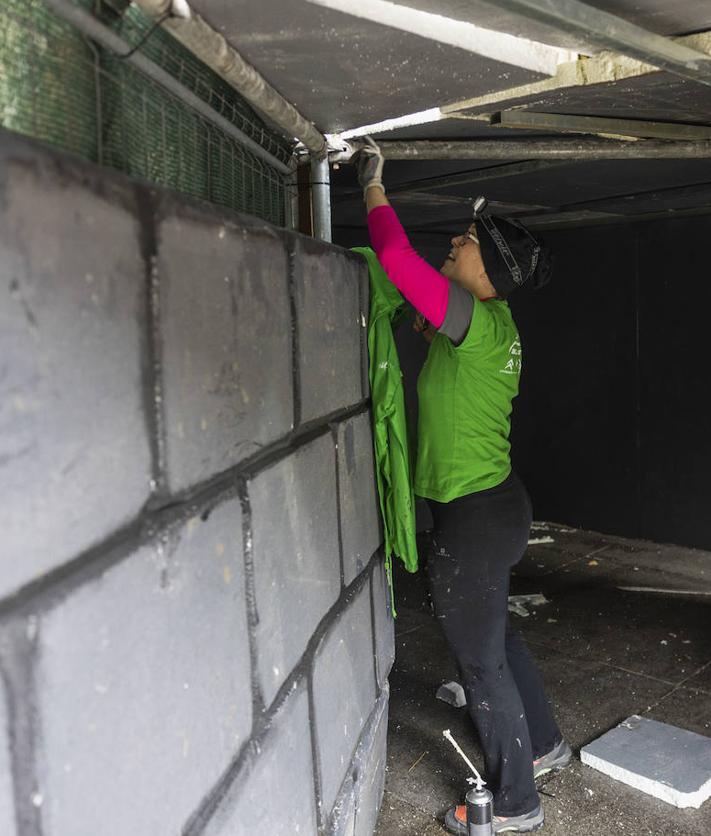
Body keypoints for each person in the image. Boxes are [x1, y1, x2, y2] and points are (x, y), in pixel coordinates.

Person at [354, 138, 571, 834]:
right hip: (491, 507)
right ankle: (542, 747)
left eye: (468, 239)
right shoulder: (489, 325)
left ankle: (514, 804)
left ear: (490, 269)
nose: (455, 240)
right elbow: (434, 318)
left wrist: (372, 188)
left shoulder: (476, 324)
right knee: (495, 640)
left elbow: (394, 261)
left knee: (478, 662)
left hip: (477, 518)